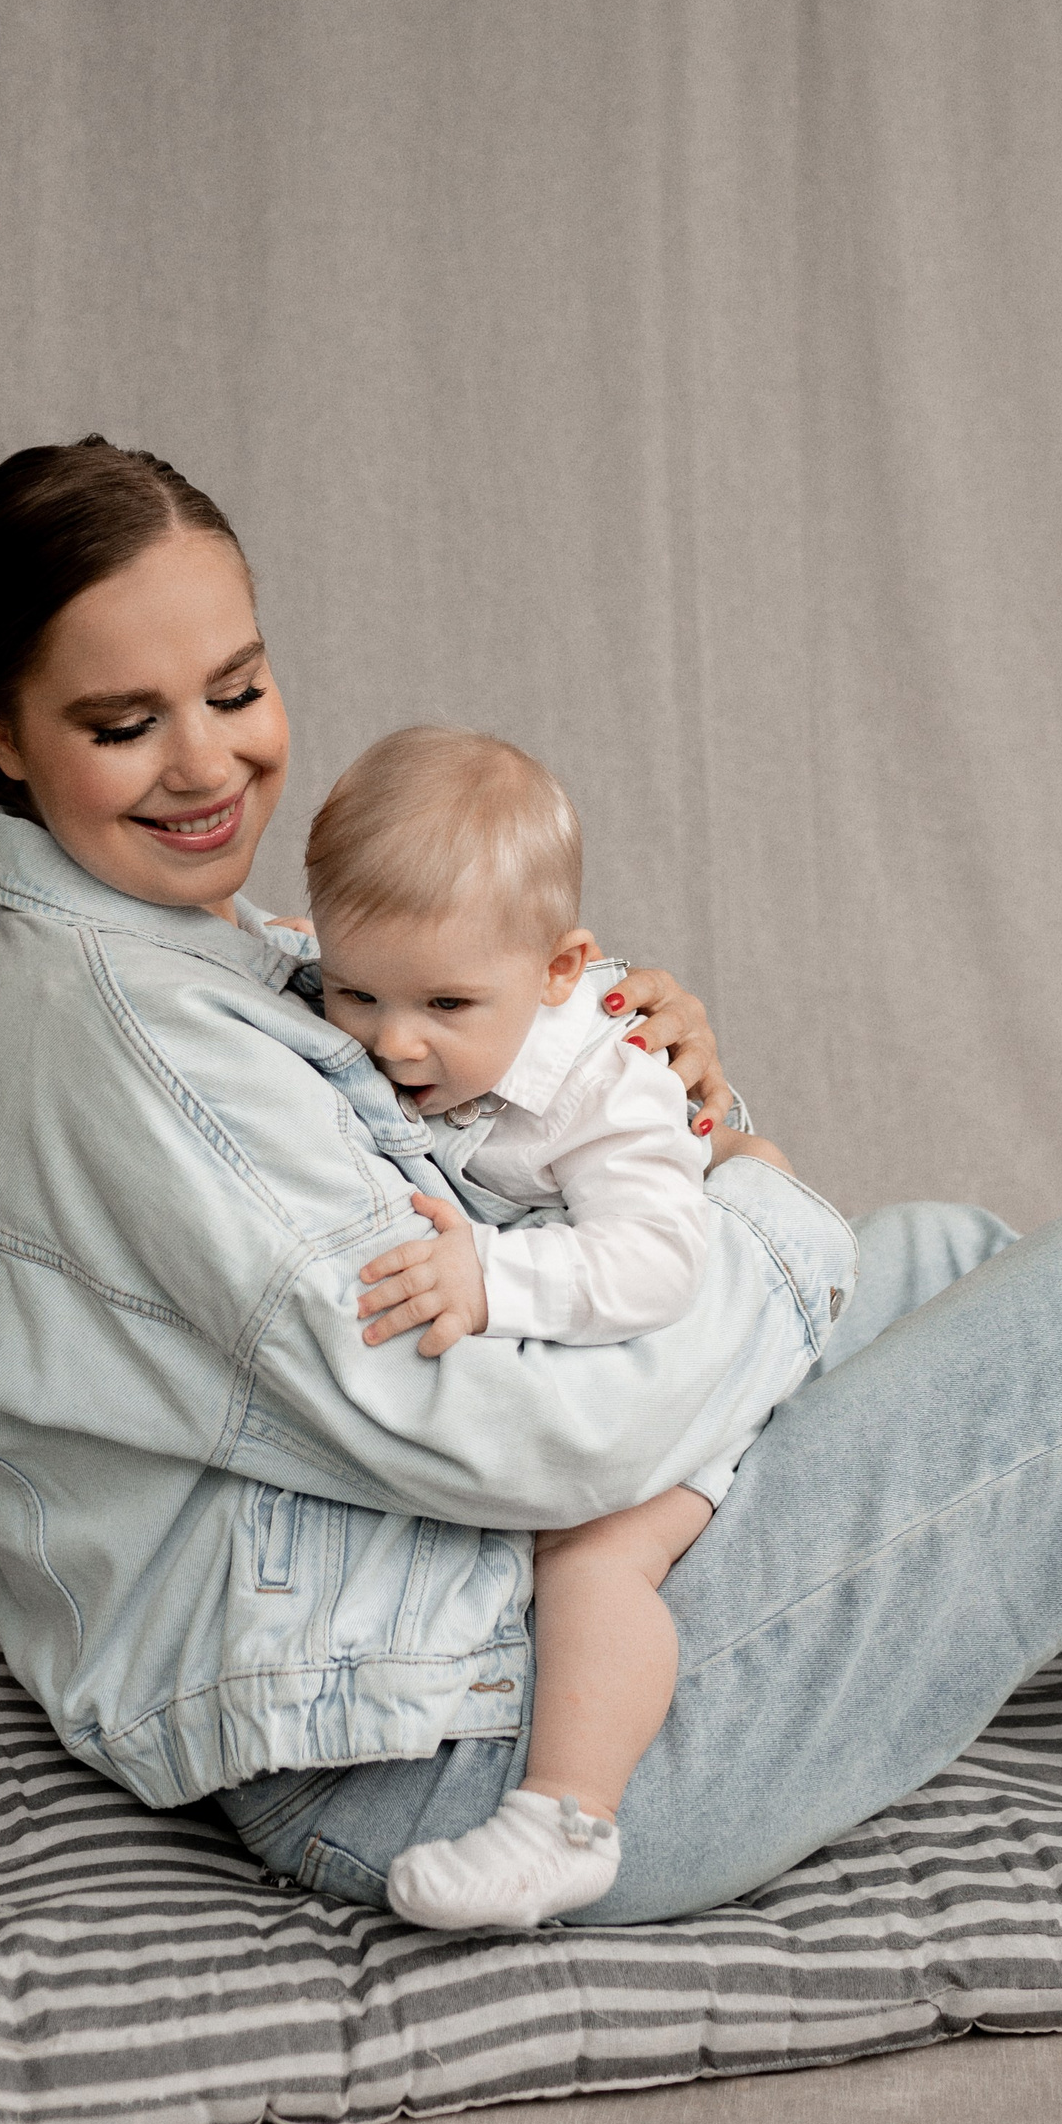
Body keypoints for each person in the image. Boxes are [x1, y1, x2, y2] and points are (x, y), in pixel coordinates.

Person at [0, 435, 1062, 1932]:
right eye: (125, 723)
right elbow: (509, 1435)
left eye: (239, 687)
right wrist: (763, 1215)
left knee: (950, 1257)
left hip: (451, 1626)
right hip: (461, 1749)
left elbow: (498, 1197)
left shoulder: (216, 957)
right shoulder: (149, 1051)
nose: (208, 761)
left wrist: (667, 1099)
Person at [300, 722, 851, 1926]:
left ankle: (565, 1819)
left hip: (702, 1368)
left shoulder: (608, 1087)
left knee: (593, 1562)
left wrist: (493, 1277)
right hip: (584, 1361)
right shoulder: (410, 1004)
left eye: (445, 1003)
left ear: (561, 970)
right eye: (356, 993)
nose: (394, 1040)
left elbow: (658, 1264)